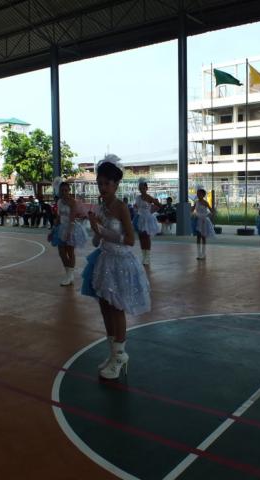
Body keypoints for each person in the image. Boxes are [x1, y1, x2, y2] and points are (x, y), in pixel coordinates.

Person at [81, 155, 151, 380]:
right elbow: (97, 240)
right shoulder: (101, 206)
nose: (102, 188)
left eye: (106, 183)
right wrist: (94, 228)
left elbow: (130, 239)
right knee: (105, 307)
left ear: (116, 184)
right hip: (105, 260)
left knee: (116, 308)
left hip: (120, 262)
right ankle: (113, 354)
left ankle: (120, 356)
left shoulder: (121, 207)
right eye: (99, 183)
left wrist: (101, 230)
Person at [49, 179, 88, 286]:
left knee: (70, 252)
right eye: (62, 190)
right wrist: (53, 230)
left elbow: (72, 219)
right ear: (59, 191)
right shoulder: (59, 202)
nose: (64, 192)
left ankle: (69, 275)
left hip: (71, 228)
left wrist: (69, 233)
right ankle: (68, 274)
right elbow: (58, 217)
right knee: (61, 253)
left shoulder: (72, 202)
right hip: (60, 228)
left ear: (69, 190)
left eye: (66, 190)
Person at [133, 178, 161, 265]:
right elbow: (136, 206)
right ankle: (143, 256)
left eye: (143, 188)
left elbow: (159, 205)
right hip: (140, 218)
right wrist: (136, 209)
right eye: (140, 188)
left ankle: (147, 257)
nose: (141, 189)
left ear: (146, 188)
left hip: (147, 218)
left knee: (146, 237)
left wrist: (151, 211)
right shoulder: (138, 197)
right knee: (141, 237)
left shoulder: (149, 197)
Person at [191, 186, 216, 260]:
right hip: (198, 220)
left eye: (200, 194)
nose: (198, 195)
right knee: (198, 237)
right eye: (197, 194)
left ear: (203, 195)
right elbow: (192, 210)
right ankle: (199, 253)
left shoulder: (205, 202)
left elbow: (212, 211)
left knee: (203, 237)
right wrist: (192, 212)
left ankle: (203, 253)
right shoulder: (196, 202)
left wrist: (207, 215)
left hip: (204, 221)